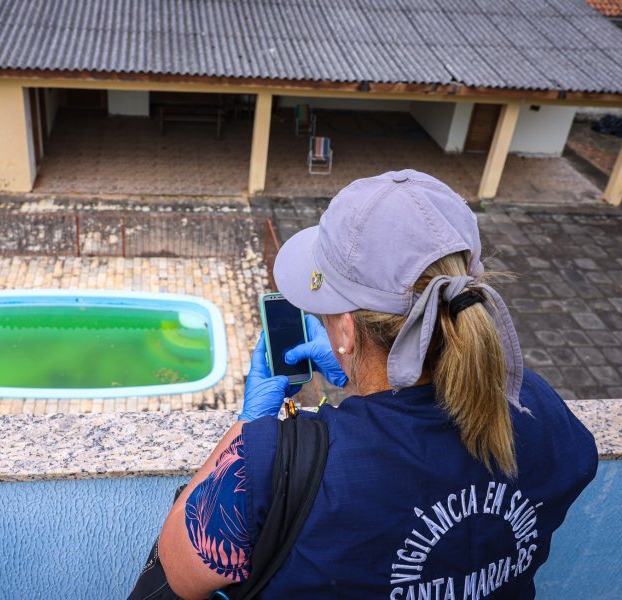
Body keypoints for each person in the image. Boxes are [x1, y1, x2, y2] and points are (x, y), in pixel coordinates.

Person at [157, 170, 598, 599]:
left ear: (346, 332)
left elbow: (177, 571)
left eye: (327, 314)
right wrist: (362, 379)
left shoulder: (274, 465)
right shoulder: (535, 405)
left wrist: (250, 425)